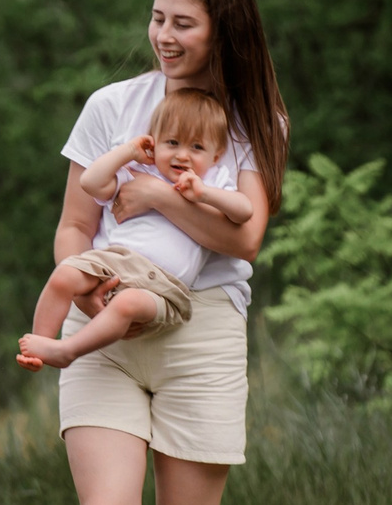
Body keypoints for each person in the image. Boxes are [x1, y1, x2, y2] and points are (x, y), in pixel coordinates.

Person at [50, 0, 289, 505]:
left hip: (202, 330)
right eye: (158, 18)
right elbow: (72, 222)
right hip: (106, 323)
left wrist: (153, 197)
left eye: (182, 22)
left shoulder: (254, 119)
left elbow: (244, 239)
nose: (163, 34)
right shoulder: (113, 106)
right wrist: (86, 290)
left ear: (223, 29)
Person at [17, 88, 253, 370]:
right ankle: (39, 347)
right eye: (173, 142)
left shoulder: (214, 180)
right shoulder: (139, 172)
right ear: (154, 143)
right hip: (113, 263)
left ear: (216, 156)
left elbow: (244, 211)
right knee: (64, 274)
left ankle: (69, 351)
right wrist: (128, 151)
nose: (183, 155)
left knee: (125, 305)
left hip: (163, 287)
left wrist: (204, 195)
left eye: (197, 147)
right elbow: (91, 182)